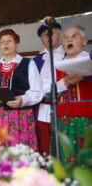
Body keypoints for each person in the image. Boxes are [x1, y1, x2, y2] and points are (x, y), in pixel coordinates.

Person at [0, 29, 43, 150]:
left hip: (19, 117)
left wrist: (21, 100)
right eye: (2, 42)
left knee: (18, 153)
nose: (5, 44)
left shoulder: (28, 63)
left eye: (9, 40)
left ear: (17, 44)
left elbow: (37, 92)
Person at [56, 25, 92, 167]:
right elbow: (44, 91)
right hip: (63, 121)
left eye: (74, 36)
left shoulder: (89, 60)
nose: (69, 40)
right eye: (65, 37)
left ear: (84, 41)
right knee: (67, 161)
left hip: (88, 120)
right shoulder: (56, 64)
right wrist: (64, 82)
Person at [33, 22, 65, 155]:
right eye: (45, 34)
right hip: (42, 108)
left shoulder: (69, 55)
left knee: (64, 145)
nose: (49, 36)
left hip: (63, 107)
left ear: (60, 34)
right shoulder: (36, 60)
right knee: (44, 146)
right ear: (41, 39)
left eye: (52, 32)